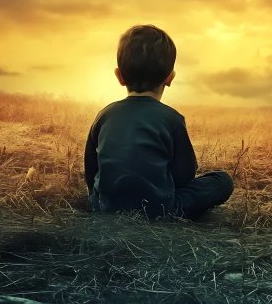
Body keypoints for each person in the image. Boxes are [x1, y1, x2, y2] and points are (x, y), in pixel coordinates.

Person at [84, 24, 234, 220]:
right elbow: (184, 175)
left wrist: (98, 199)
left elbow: (91, 168)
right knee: (222, 181)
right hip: (160, 211)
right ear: (170, 78)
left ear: (119, 76)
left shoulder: (105, 115)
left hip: (105, 207)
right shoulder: (172, 119)